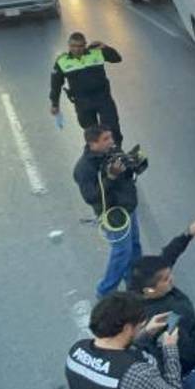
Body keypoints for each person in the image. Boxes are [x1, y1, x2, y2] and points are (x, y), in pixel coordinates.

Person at [129, 217, 195, 389]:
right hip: (188, 377)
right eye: (166, 278)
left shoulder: (138, 288)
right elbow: (191, 354)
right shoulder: (164, 319)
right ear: (150, 290)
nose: (172, 278)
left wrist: (189, 233)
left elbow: (167, 257)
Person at [65, 291, 182, 389]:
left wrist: (144, 333)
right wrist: (170, 348)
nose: (141, 328)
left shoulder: (76, 351)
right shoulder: (136, 375)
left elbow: (114, 350)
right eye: (139, 326)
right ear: (126, 328)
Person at [74, 125, 142, 298]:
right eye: (106, 139)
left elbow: (127, 175)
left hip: (128, 207)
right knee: (122, 252)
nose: (111, 142)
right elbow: (91, 196)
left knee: (134, 246)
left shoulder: (113, 152)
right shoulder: (84, 168)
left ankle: (133, 283)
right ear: (92, 143)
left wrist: (133, 164)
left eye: (111, 137)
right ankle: (106, 291)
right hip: (113, 215)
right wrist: (110, 177)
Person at [51, 33, 125, 146]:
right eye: (73, 46)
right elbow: (56, 84)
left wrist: (105, 47)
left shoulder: (97, 53)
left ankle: (116, 152)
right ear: (69, 46)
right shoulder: (62, 61)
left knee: (112, 128)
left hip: (103, 98)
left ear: (85, 45)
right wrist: (55, 104)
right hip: (82, 102)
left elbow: (117, 59)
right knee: (92, 134)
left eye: (80, 46)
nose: (76, 49)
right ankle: (98, 157)